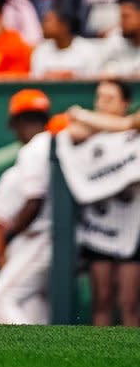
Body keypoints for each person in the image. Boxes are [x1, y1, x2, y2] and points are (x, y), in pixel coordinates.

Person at [66, 79, 140, 327]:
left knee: (129, 301)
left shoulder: (131, 133)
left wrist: (83, 114)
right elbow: (74, 131)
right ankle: (99, 357)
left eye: (110, 99)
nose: (102, 104)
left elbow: (134, 123)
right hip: (99, 224)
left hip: (132, 224)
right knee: (102, 297)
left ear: (125, 103)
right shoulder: (87, 133)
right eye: (99, 98)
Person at [0, 89, 53, 325]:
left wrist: (10, 236)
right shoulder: (55, 142)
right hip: (59, 238)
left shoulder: (34, 148)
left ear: (17, 122)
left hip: (41, 237)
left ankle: (35, 353)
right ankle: (45, 358)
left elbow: (34, 201)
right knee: (33, 309)